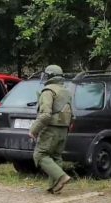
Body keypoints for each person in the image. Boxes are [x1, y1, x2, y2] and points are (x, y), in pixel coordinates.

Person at [29, 65, 73, 194]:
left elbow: (46, 114)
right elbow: (71, 113)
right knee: (55, 156)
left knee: (40, 154)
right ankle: (54, 187)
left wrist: (34, 130)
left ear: (49, 76)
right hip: (63, 129)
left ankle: (61, 177)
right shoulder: (66, 91)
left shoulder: (48, 91)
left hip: (51, 129)